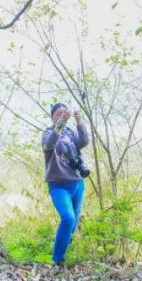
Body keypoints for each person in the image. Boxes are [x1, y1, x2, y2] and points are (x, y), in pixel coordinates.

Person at [41, 102, 90, 266]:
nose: (62, 117)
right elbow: (49, 144)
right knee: (68, 218)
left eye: (64, 114)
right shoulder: (48, 133)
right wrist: (61, 122)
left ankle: (66, 256)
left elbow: (84, 141)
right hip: (59, 185)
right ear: (53, 117)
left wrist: (79, 121)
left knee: (73, 224)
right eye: (58, 115)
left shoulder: (69, 132)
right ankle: (57, 261)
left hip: (77, 183)